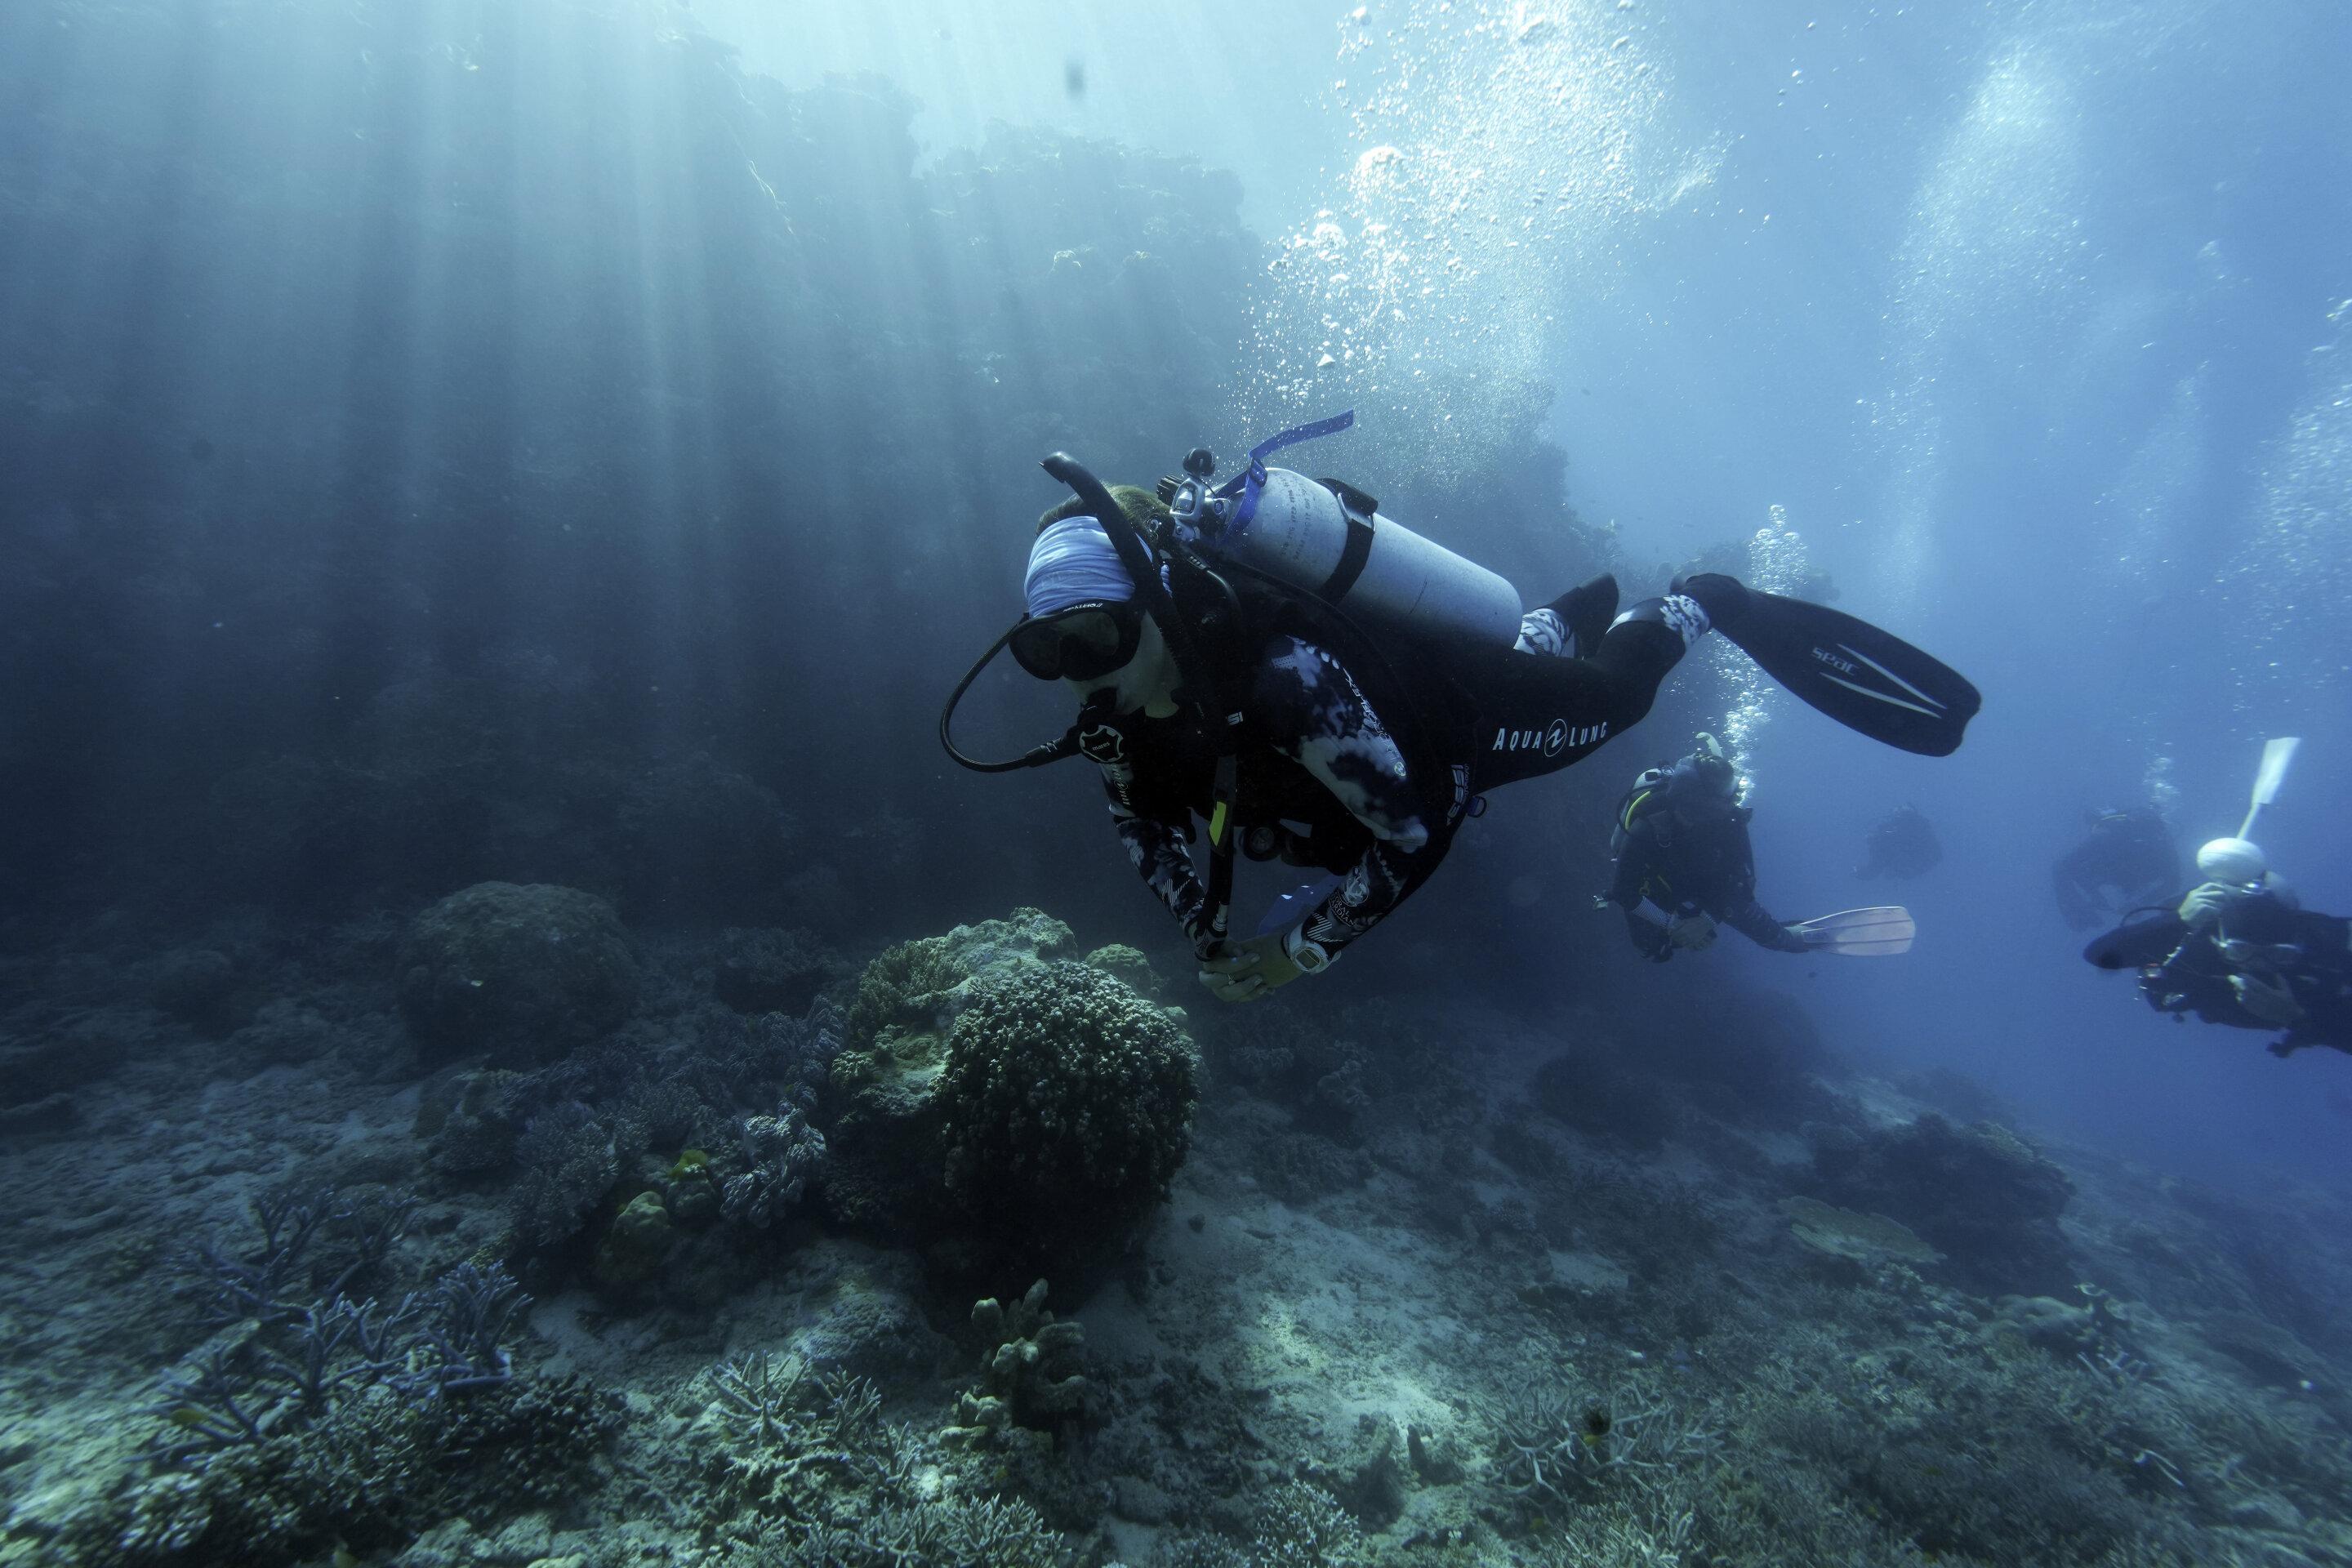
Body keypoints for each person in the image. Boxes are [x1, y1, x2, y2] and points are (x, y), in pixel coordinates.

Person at [946, 446, 1977, 1004]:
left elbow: (1416, 828)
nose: (1078, 677)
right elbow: (1140, 827)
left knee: (1611, 704)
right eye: (1048, 652)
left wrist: (1296, 951)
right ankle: (1557, 618)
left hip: (1455, 726)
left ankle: (1700, 600)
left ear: (1158, 608)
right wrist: (1196, 921)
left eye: (1093, 637)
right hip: (1402, 691)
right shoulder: (1116, 717)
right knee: (1526, 641)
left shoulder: (1286, 679)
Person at [2085, 837, 2352, 1057]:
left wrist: (2296, 1017)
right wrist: (2178, 921)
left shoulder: (2324, 942)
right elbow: (2100, 955)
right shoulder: (2198, 937)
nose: (2259, 964)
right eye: (2240, 950)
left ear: (2299, 943)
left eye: (2280, 954)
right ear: (2218, 940)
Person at [1602, 733, 1809, 961]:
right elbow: (1623, 891)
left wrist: (1707, 920)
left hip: (1711, 886)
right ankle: (1779, 938)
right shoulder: (1649, 825)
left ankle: (1785, 938)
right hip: (1659, 883)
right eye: (1724, 800)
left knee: (1770, 936)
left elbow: (1743, 880)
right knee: (1651, 947)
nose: (1732, 804)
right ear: (1701, 804)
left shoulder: (1728, 819)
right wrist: (1673, 925)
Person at [2052, 805, 2177, 931]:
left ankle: (2082, 920)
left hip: (2122, 874)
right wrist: (2140, 903)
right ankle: (2084, 918)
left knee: (2063, 869)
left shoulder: (2106, 838)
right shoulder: (2161, 845)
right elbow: (2173, 883)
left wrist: (2095, 897)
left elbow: (2063, 866)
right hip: (2133, 875)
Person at [1855, 804, 1940, 880]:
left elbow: (1875, 866)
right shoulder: (1922, 832)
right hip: (1909, 868)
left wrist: (1875, 840)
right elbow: (1936, 856)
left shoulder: (1890, 834)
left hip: (1903, 868)